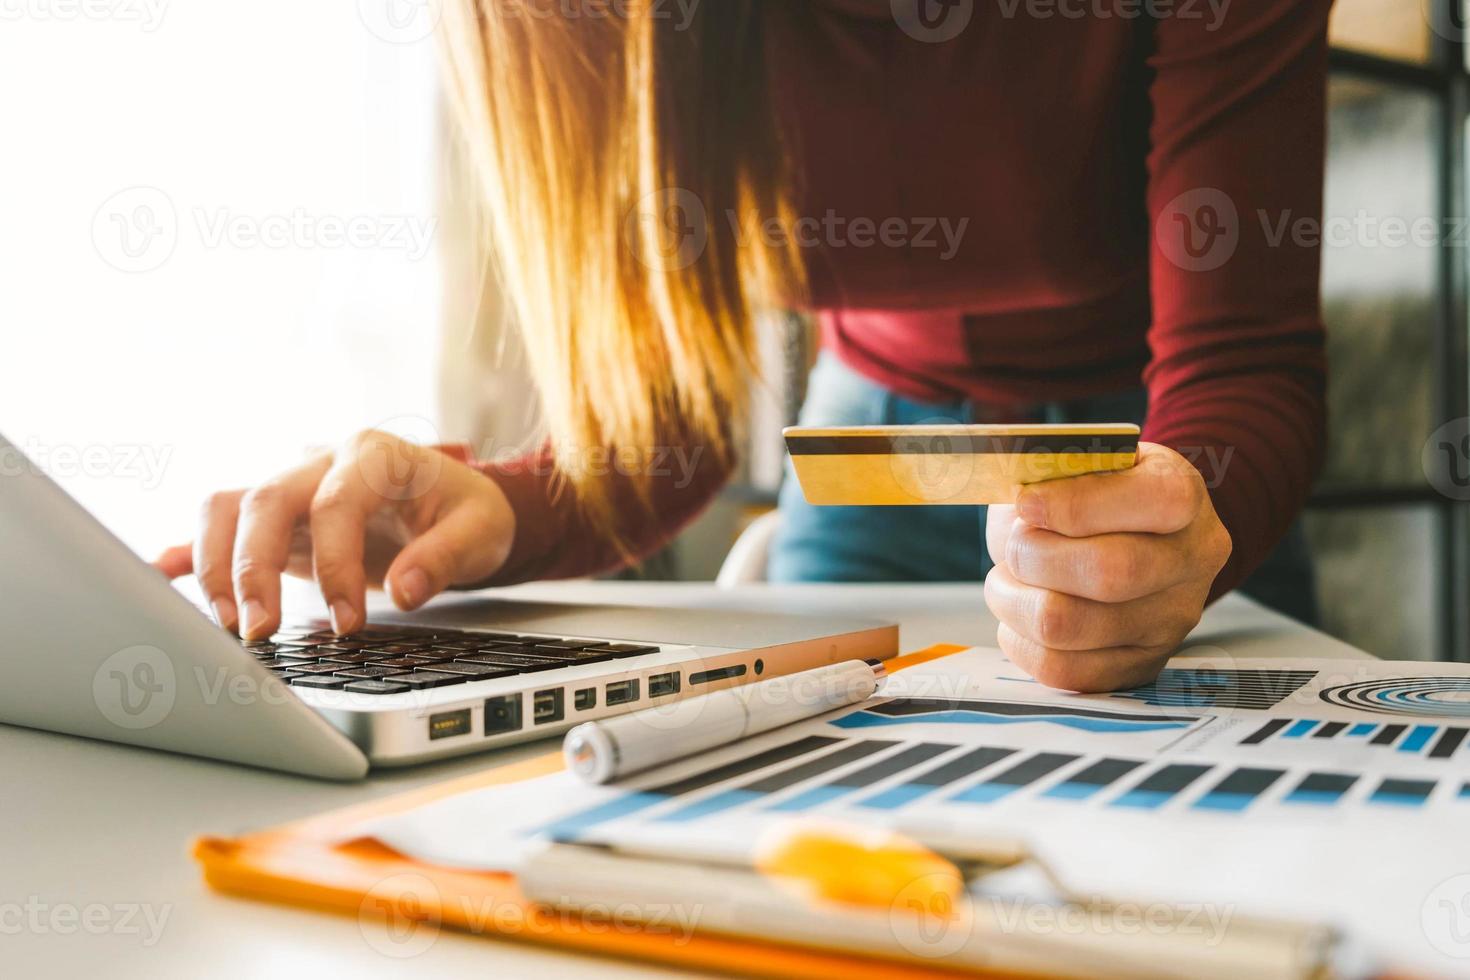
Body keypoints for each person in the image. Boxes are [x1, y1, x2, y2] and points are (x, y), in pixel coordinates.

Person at [156, 1, 1332, 693]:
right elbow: (677, 420)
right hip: (871, 434)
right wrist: (505, 503)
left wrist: (1189, 519)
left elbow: (1243, 364)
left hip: (1158, 439)